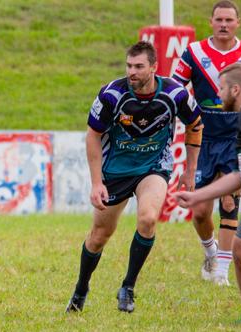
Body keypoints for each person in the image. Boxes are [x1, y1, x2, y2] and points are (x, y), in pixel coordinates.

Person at [65, 41, 203, 313]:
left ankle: (128, 287)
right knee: (99, 236)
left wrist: (189, 171)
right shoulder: (111, 95)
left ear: (154, 67)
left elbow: (195, 124)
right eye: (129, 66)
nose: (132, 72)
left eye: (139, 66)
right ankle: (81, 288)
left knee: (148, 218)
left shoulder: (175, 94)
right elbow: (93, 135)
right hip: (115, 171)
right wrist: (96, 183)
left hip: (153, 168)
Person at [173, 0, 241, 286]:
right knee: (199, 211)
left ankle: (221, 270)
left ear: (238, 23)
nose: (223, 25)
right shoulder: (193, 52)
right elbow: (175, 89)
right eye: (218, 19)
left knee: (230, 200)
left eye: (229, 20)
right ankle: (210, 251)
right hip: (203, 138)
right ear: (211, 22)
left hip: (237, 136)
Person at [175, 63, 241, 322]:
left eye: (221, 88)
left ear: (234, 89)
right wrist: (198, 196)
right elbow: (237, 175)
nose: (217, 95)